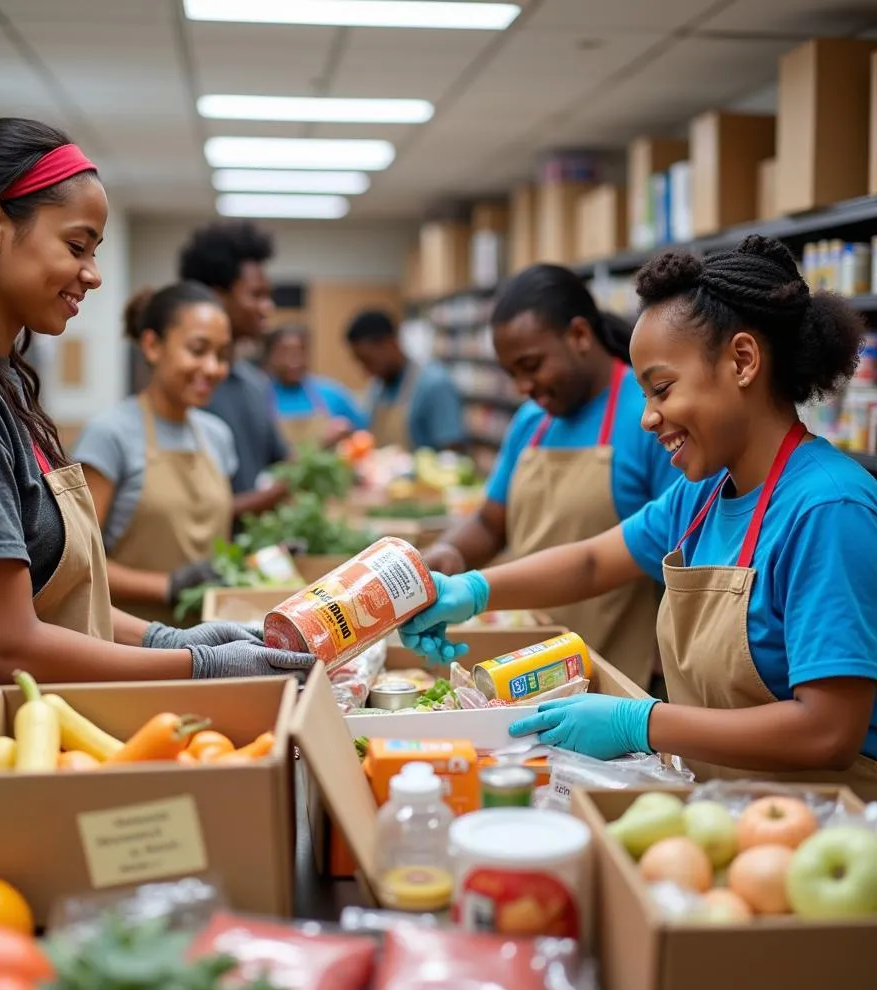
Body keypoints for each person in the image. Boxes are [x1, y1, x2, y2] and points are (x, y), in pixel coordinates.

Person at [0, 118, 316, 865]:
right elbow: (7, 644)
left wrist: (170, 637)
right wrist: (201, 670)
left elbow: (43, 599)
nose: (93, 275)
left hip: (8, 743)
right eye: (77, 245)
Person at [400, 236, 877, 797]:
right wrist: (470, 590)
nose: (647, 418)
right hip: (723, 813)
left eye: (662, 388)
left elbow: (828, 732)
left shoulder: (827, 509)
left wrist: (641, 722)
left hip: (824, 832)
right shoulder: (701, 497)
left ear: (743, 361)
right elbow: (591, 561)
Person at [423, 265, 680, 688]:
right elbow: (491, 523)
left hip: (617, 673)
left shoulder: (651, 419)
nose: (524, 386)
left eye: (532, 365)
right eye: (513, 375)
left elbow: (670, 555)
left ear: (580, 335)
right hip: (530, 664)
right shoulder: (532, 422)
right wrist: (449, 556)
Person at [74, 283, 238, 624]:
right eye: (197, 350)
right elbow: (79, 563)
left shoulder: (217, 435)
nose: (212, 368)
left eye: (222, 355)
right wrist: (167, 585)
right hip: (133, 644)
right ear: (152, 345)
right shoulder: (110, 434)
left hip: (211, 642)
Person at [178, 221, 289, 501]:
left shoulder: (255, 384)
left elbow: (279, 460)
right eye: (256, 295)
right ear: (216, 296)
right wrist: (264, 501)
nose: (268, 308)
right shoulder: (183, 390)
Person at [346, 309, 466, 452]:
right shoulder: (377, 389)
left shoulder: (434, 385)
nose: (365, 371)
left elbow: (452, 453)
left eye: (368, 360)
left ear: (390, 343)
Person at [264, 324, 367, 448]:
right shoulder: (261, 398)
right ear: (270, 357)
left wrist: (347, 433)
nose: (293, 360)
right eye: (284, 352)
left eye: (300, 351)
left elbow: (365, 433)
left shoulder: (332, 394)